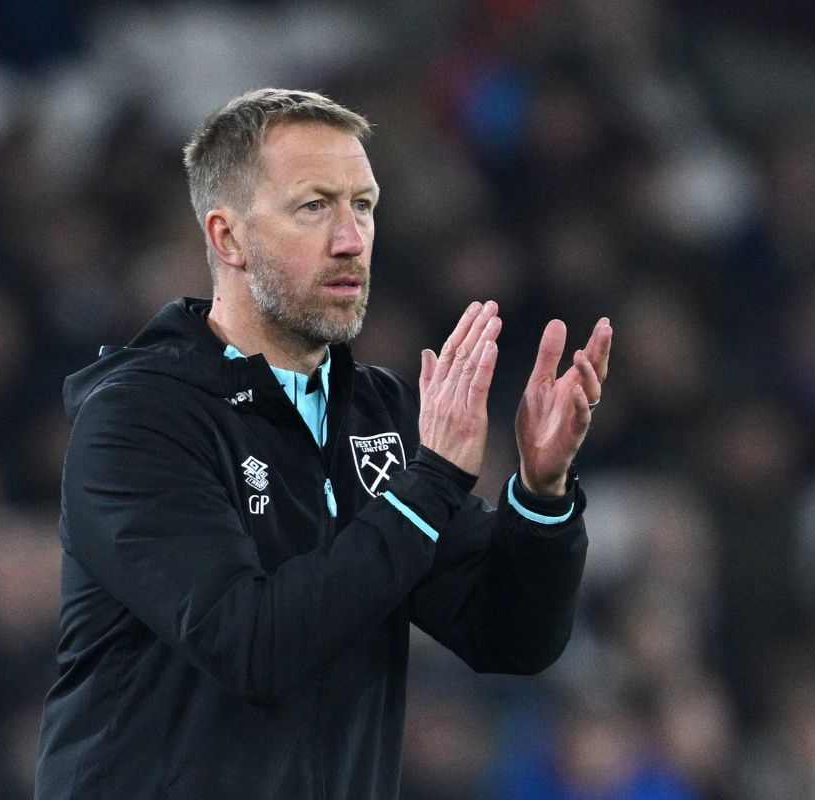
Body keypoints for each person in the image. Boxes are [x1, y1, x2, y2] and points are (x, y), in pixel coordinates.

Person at [34, 88, 613, 800]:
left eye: (362, 206)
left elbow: (510, 637)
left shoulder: (375, 414)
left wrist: (541, 497)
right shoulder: (140, 421)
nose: (350, 240)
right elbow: (251, 647)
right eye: (314, 207)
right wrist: (430, 485)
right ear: (228, 238)